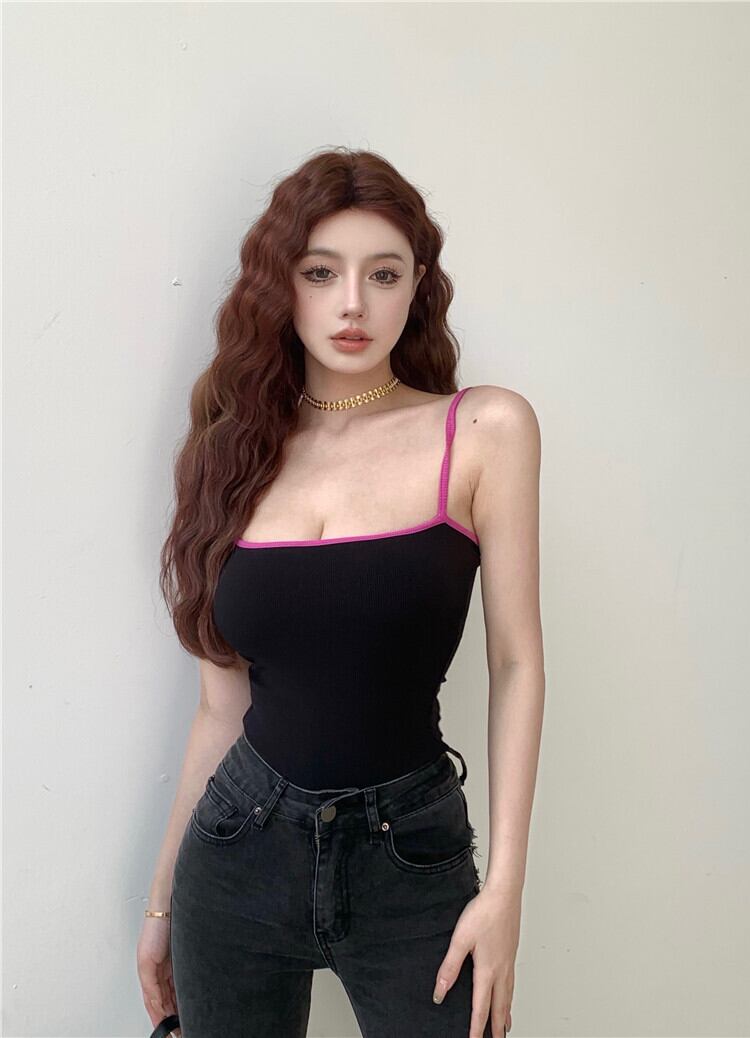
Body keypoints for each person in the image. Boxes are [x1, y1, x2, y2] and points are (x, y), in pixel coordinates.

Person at [137, 147, 544, 1038]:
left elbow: (516, 662)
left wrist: (507, 890)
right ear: (281, 286)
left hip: (412, 856)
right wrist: (162, 902)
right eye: (321, 273)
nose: (352, 303)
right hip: (236, 853)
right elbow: (221, 707)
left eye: (382, 274)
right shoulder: (230, 454)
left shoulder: (483, 429)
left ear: (417, 287)